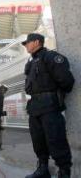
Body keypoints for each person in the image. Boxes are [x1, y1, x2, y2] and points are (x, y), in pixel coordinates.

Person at [22, 33, 75, 178]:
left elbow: (66, 81)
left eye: (28, 42)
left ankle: (64, 172)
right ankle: (43, 169)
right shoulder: (31, 63)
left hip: (50, 106)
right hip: (34, 107)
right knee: (38, 141)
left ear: (37, 42)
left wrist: (54, 95)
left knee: (56, 139)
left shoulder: (51, 57)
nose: (26, 45)